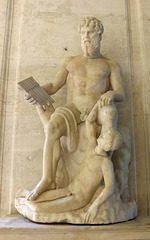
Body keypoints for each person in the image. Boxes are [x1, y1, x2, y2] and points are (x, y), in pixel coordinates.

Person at [24, 17, 125, 201]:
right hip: (73, 109)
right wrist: (36, 91)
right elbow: (54, 86)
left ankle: (101, 178)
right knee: (53, 126)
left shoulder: (110, 65)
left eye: (90, 33)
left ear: (99, 35)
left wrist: (111, 94)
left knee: (110, 112)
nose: (86, 37)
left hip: (97, 109)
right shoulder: (70, 62)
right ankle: (47, 179)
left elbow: (121, 93)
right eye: (83, 33)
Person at [16, 105, 123, 223]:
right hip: (69, 189)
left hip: (78, 198)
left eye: (105, 136)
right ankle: (23, 199)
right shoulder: (92, 146)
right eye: (104, 134)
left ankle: (23, 202)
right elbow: (89, 121)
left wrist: (95, 206)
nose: (101, 135)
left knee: (37, 208)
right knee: (35, 199)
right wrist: (97, 105)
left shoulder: (105, 162)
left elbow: (110, 187)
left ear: (108, 145)